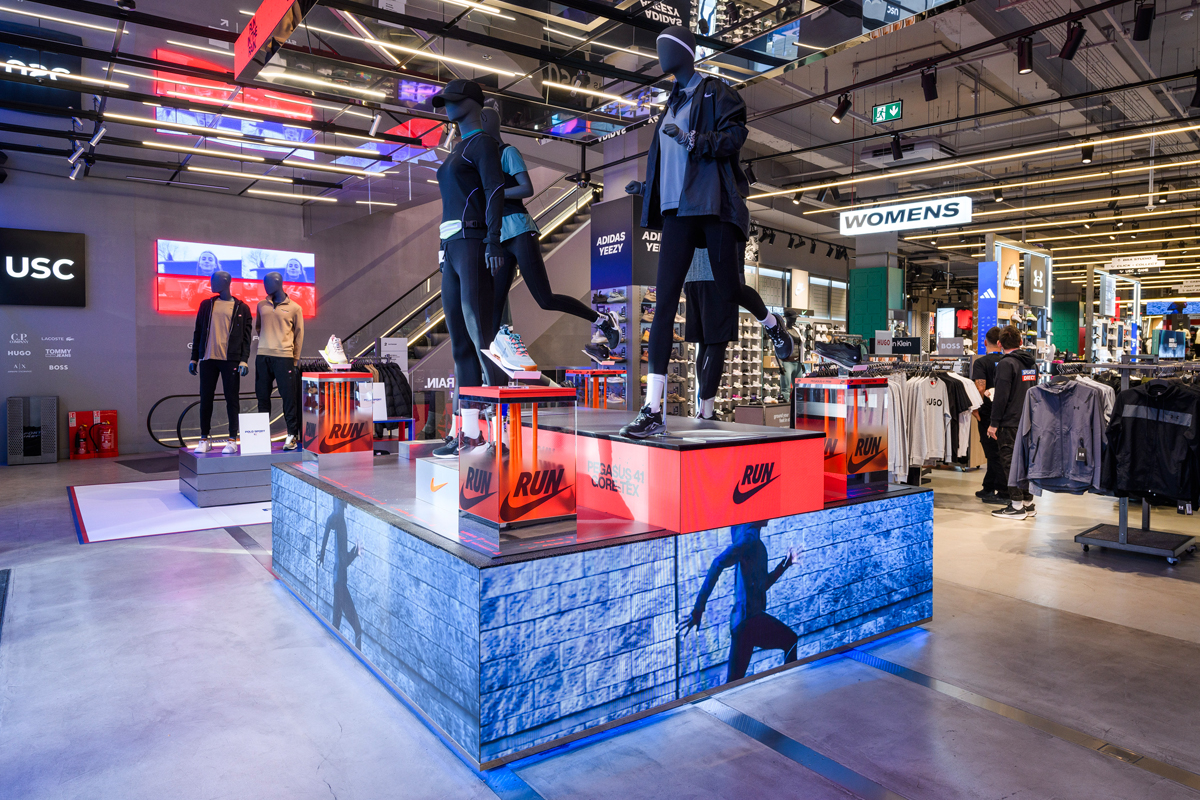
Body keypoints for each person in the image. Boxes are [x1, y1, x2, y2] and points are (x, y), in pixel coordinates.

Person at [618, 26, 792, 439]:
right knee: (664, 304)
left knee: (729, 288)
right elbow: (668, 162)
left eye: (666, 48)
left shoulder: (717, 93)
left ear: (686, 52)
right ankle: (653, 410)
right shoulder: (670, 104)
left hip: (712, 203)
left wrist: (693, 138)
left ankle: (771, 322)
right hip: (677, 210)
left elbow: (734, 138)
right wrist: (647, 188)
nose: (660, 55)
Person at [479, 108, 620, 368]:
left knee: (545, 299)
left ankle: (602, 321)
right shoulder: (483, 160)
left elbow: (526, 188)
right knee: (494, 307)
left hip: (519, 229)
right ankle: (494, 374)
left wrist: (495, 194)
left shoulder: (507, 153)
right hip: (498, 236)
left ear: (486, 122)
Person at [427, 80, 506, 459]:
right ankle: (469, 433)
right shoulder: (457, 148)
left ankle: (503, 433)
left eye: (454, 101)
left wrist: (494, 240)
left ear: (474, 104)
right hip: (452, 249)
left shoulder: (483, 145)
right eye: (445, 101)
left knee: (484, 342)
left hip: (475, 244)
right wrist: (443, 249)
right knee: (460, 344)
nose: (447, 107)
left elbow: (495, 191)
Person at [679, 521, 798, 683]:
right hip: (749, 621)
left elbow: (762, 586)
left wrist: (785, 563)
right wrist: (698, 608)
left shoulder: (756, 544)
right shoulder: (749, 539)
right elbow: (718, 563)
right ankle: (792, 690)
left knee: (733, 683)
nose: (771, 515)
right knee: (790, 640)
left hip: (744, 624)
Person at [989, 325, 1038, 520]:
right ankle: (1027, 502)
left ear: (999, 343)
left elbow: (1001, 397)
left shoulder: (1006, 364)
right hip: (1029, 420)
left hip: (1010, 422)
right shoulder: (1031, 364)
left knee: (1010, 462)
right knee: (1025, 462)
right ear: (1021, 342)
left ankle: (1016, 505)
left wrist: (994, 423)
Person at [318, 499, 362, 649]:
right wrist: (322, 552)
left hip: (339, 582)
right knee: (357, 629)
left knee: (335, 628)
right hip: (340, 585)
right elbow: (329, 521)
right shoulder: (339, 519)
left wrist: (355, 552)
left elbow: (343, 561)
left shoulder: (341, 524)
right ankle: (357, 659)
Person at [971, 327, 1005, 504]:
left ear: (985, 342)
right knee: (997, 450)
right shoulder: (1008, 361)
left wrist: (975, 409)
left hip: (988, 412)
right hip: (1005, 412)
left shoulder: (981, 363)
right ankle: (988, 486)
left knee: (993, 452)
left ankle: (1003, 491)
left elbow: (980, 388)